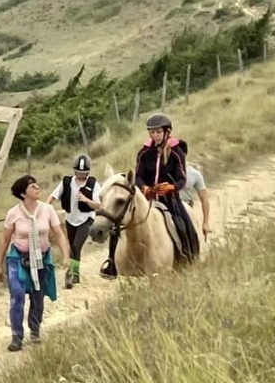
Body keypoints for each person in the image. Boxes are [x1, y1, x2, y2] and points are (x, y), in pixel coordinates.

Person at [102, 112, 200, 276]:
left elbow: (182, 178)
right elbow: (138, 176)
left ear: (166, 132)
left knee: (183, 223)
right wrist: (144, 188)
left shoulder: (176, 152)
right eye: (152, 132)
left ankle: (189, 255)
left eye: (159, 132)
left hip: (170, 198)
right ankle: (111, 263)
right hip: (146, 197)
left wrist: (171, 187)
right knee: (117, 225)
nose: (155, 135)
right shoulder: (144, 153)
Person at [0, 174, 70, 352]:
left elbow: (59, 234)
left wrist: (65, 255)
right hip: (18, 258)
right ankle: (16, 335)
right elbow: (4, 240)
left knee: (38, 296)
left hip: (41, 258)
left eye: (37, 185)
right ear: (23, 193)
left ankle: (35, 330)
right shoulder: (13, 213)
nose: (37, 188)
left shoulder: (47, 210)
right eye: (32, 186)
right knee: (18, 294)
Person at [53, 153, 101, 288]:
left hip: (86, 219)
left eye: (84, 173)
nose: (81, 175)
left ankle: (70, 274)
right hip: (70, 219)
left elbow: (98, 205)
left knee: (76, 246)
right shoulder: (67, 182)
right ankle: (76, 274)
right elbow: (54, 195)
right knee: (74, 248)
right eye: (79, 173)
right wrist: (45, 206)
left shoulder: (93, 184)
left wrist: (86, 200)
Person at [179, 161, 212, 241]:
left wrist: (205, 222)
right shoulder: (162, 170)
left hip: (185, 209)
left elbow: (204, 198)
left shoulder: (194, 174)